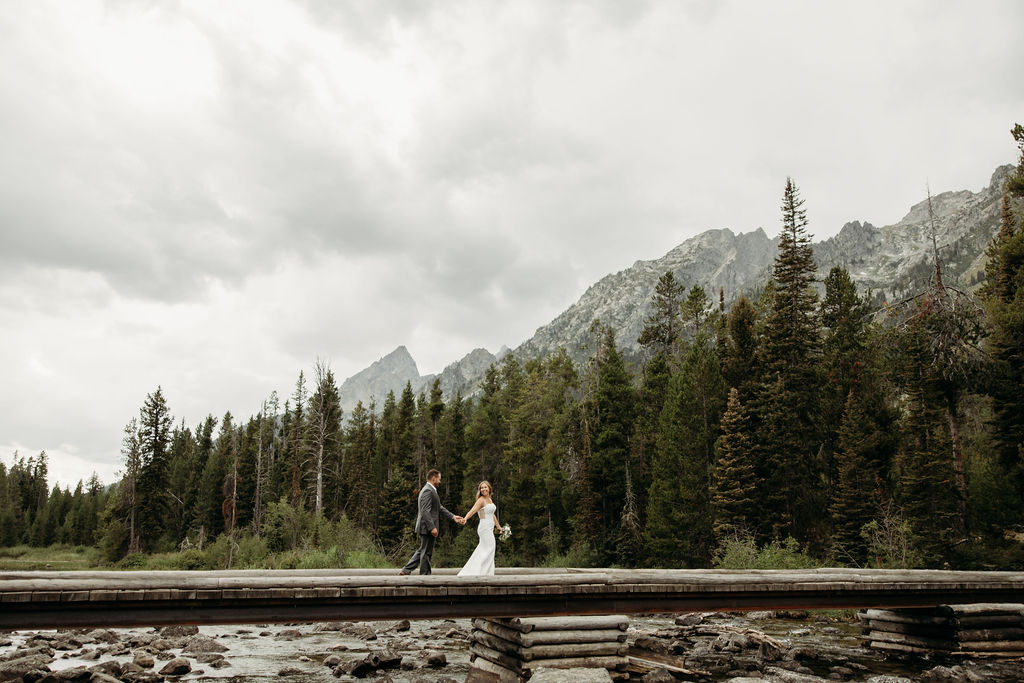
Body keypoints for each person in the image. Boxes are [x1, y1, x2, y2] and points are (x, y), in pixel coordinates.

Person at [399, 469, 464, 576]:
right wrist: (432, 527)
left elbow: (439, 508)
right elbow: (425, 511)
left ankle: (406, 570)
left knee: (423, 550)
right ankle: (425, 576)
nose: (440, 481)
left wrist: (453, 517)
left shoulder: (431, 490)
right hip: (426, 527)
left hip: (427, 526)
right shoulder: (428, 491)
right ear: (434, 478)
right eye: (439, 479)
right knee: (426, 552)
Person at [457, 480, 503, 577]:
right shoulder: (481, 500)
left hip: (489, 528)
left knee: (487, 549)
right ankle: (478, 572)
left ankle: (486, 573)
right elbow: (473, 510)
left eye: (485, 487)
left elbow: (492, 515)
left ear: (489, 488)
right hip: (484, 528)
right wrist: (465, 518)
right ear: (480, 490)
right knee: (489, 548)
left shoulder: (489, 500)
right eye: (482, 488)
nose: (483, 489)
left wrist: (499, 527)